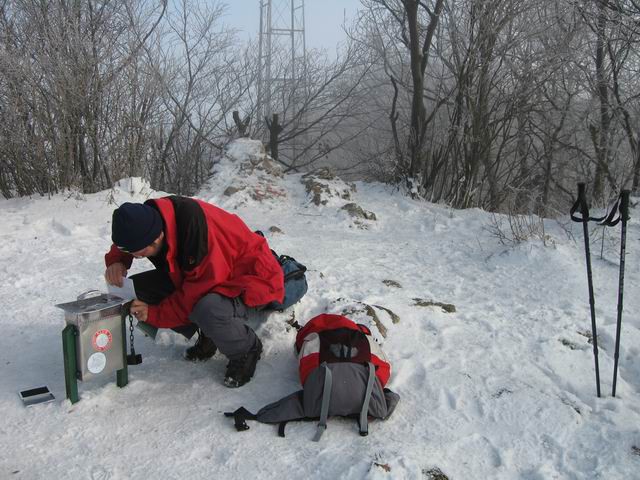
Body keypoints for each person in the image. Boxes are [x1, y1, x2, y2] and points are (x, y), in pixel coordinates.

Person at [104, 196, 284, 388]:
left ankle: (246, 349)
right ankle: (211, 334)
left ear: (156, 238)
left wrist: (155, 314)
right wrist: (117, 260)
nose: (135, 257)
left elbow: (194, 294)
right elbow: (130, 235)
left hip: (251, 280)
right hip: (212, 275)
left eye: (138, 254)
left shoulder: (197, 233)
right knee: (140, 290)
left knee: (207, 309)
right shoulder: (152, 217)